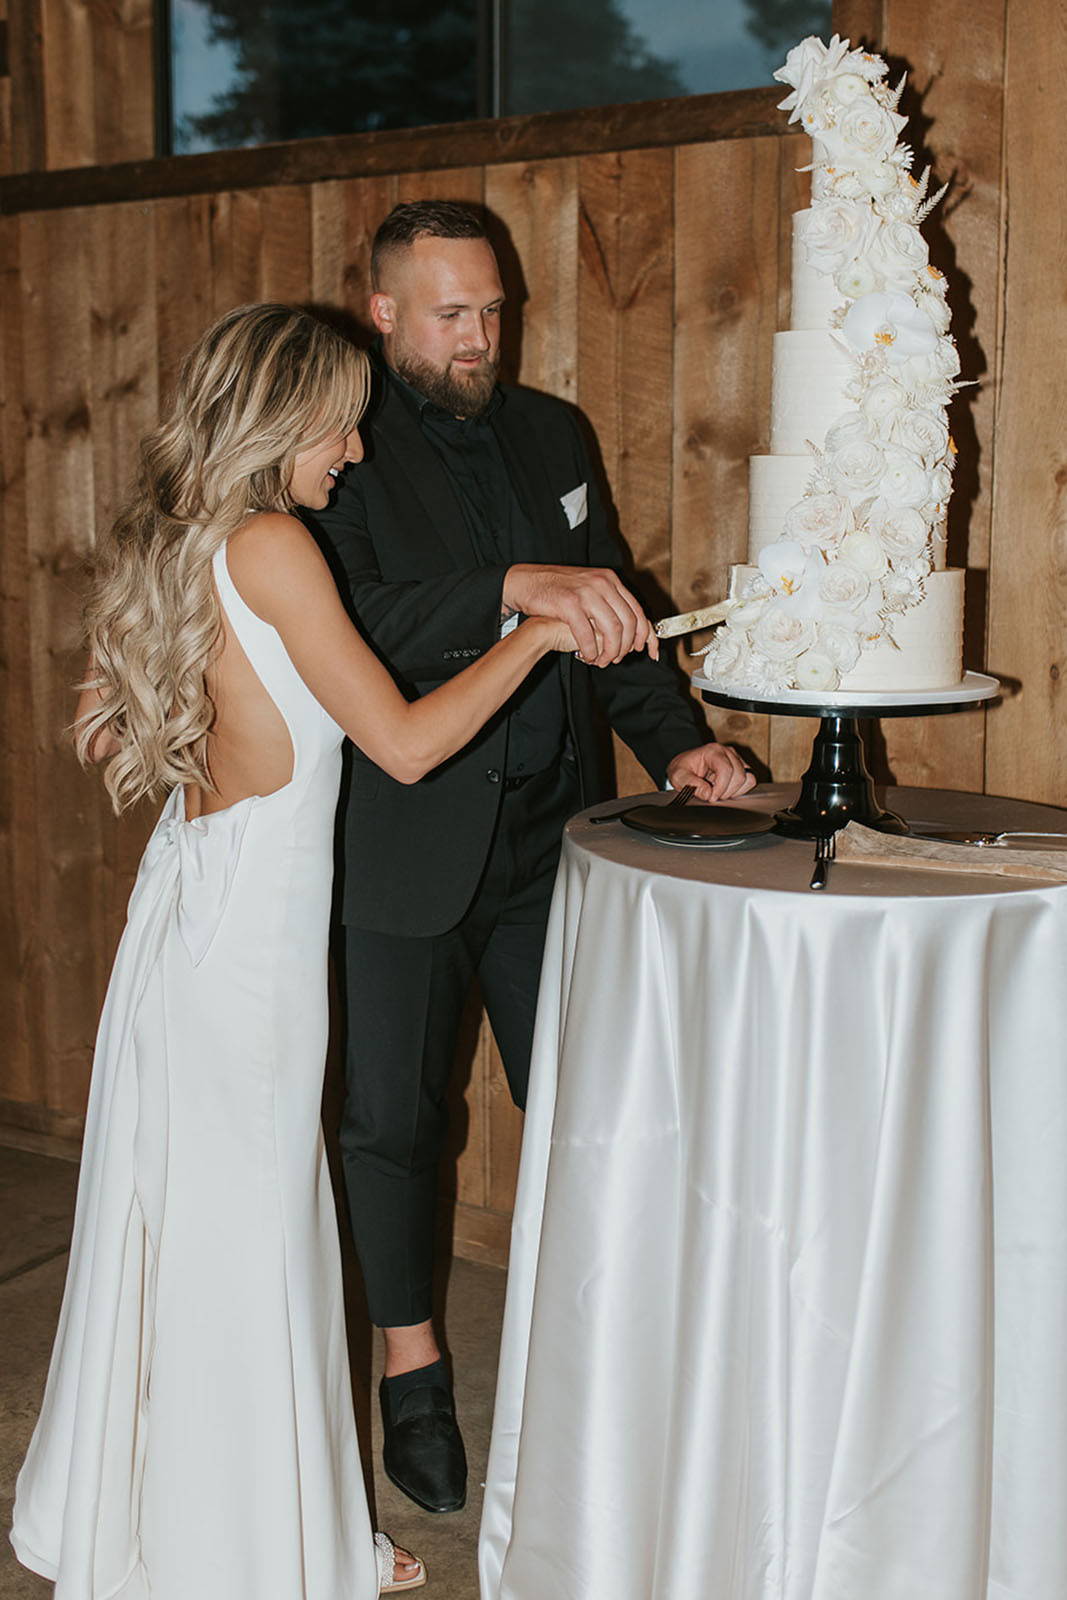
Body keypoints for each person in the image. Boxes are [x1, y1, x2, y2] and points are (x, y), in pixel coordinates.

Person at [8, 304, 635, 1599]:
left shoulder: (175, 539)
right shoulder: (277, 545)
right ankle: (245, 1547)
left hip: (192, 904)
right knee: (254, 1239)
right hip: (250, 952)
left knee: (219, 1229)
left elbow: (95, 732)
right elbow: (404, 744)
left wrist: (198, 729)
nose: (355, 446)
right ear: (286, 415)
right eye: (341, 419)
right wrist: (534, 636)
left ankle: (254, 1522)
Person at [303, 200, 756, 1516]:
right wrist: (515, 585)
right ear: (383, 310)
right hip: (396, 839)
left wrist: (678, 747)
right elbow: (359, 619)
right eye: (452, 312)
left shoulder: (553, 431)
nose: (480, 335)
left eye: (494, 308)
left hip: (554, 844)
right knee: (395, 1125)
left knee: (593, 1111)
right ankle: (412, 1376)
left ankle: (606, 1369)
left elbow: (609, 605)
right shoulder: (337, 444)